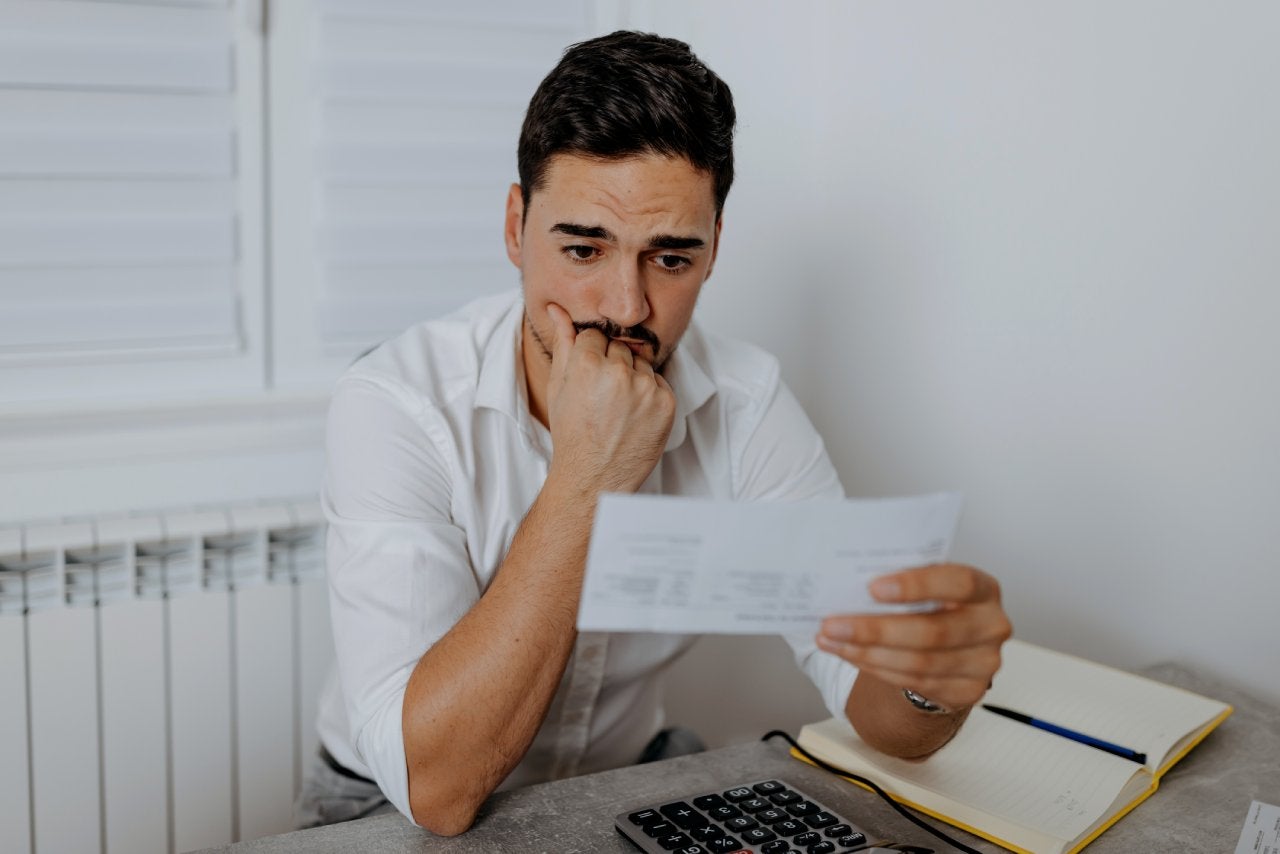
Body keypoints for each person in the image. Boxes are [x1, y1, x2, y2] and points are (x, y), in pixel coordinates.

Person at [297, 30, 1012, 836]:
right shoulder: (396, 402)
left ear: (712, 254)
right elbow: (438, 791)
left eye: (670, 259)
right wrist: (591, 473)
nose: (627, 307)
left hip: (622, 782)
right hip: (390, 792)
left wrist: (931, 684)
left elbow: (876, 707)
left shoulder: (746, 403)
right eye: (582, 248)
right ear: (514, 227)